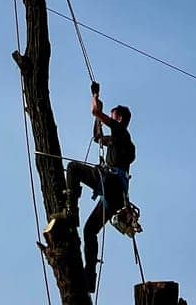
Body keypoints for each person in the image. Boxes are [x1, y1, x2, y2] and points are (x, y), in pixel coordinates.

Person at [67, 86, 135, 292]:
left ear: (120, 119)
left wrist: (95, 97)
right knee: (90, 231)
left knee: (72, 168)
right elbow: (98, 138)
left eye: (113, 117)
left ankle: (71, 211)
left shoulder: (122, 132)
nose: (111, 120)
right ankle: (90, 277)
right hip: (115, 195)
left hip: (111, 182)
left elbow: (95, 111)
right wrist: (99, 120)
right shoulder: (118, 140)